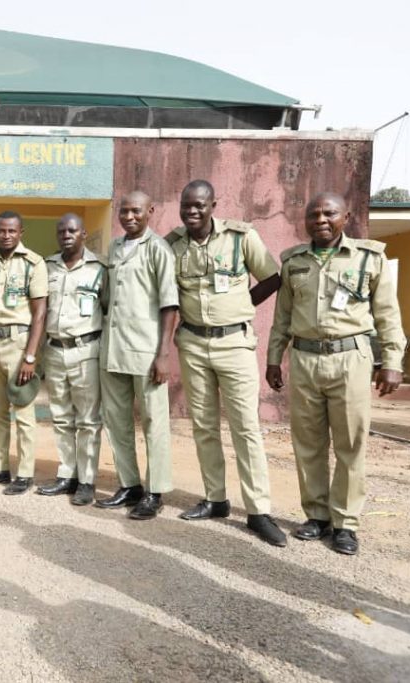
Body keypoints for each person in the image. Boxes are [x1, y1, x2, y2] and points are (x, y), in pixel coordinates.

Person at [266, 192, 405, 555]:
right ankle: (316, 516)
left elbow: (389, 315)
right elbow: (282, 317)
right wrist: (273, 358)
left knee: (350, 444)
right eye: (314, 214)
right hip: (306, 359)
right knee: (308, 443)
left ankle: (345, 523)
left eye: (329, 213)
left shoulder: (370, 258)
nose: (321, 220)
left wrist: (392, 361)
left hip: (351, 359)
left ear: (347, 216)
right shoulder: (294, 261)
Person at [166, 179, 287, 546]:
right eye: (187, 205)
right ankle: (215, 498)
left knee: (245, 427)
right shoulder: (173, 245)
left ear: (213, 205)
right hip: (193, 342)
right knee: (203, 425)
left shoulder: (240, 237)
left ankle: (258, 511)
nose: (192, 211)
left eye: (199, 205)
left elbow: (272, 277)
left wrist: (243, 305)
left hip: (234, 343)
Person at [96, 191, 178, 520]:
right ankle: (129, 485)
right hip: (113, 348)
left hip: (146, 351)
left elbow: (169, 303)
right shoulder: (115, 247)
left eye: (136, 211)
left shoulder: (159, 249)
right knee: (116, 422)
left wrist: (164, 355)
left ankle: (155, 491)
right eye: (124, 211)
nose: (129, 217)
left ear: (150, 212)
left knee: (153, 422)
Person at [0, 211, 48, 495]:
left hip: (19, 343)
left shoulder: (34, 263)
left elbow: (40, 312)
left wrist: (31, 356)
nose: (6, 235)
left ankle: (25, 473)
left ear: (21, 232)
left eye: (12, 231)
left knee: (24, 411)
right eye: (2, 231)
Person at [36, 214, 106, 506]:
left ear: (84, 234)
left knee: (88, 419)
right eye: (62, 230)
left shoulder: (100, 268)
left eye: (72, 230)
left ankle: (87, 480)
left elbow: (108, 307)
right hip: (54, 350)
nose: (66, 234)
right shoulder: (47, 266)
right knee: (62, 417)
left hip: (86, 350)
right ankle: (67, 475)